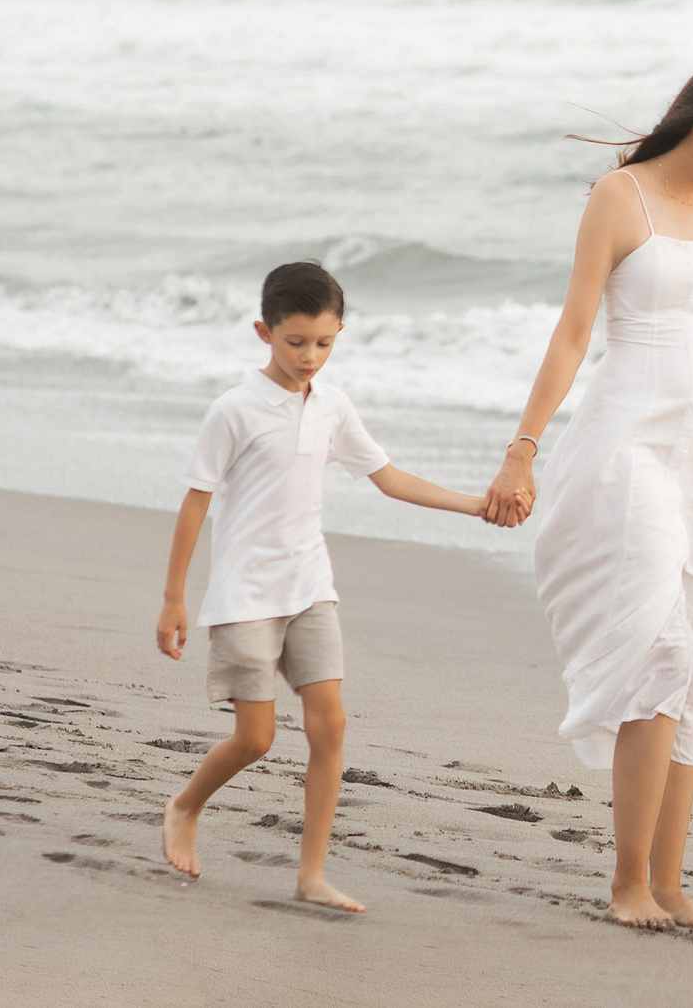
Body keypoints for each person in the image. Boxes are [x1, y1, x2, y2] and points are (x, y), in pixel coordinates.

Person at [479, 59, 693, 930]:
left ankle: (670, 880)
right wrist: (523, 449)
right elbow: (575, 330)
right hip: (630, 445)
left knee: (691, 664)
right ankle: (626, 885)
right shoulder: (620, 199)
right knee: (656, 648)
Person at [154, 261, 488, 911]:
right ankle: (185, 805)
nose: (311, 356)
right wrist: (174, 598)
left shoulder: (333, 408)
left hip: (310, 585)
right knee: (256, 739)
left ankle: (311, 874)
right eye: (296, 341)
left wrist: (477, 505)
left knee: (329, 726)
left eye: (326, 343)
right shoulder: (234, 410)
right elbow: (196, 503)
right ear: (263, 332)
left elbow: (389, 478)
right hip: (246, 593)